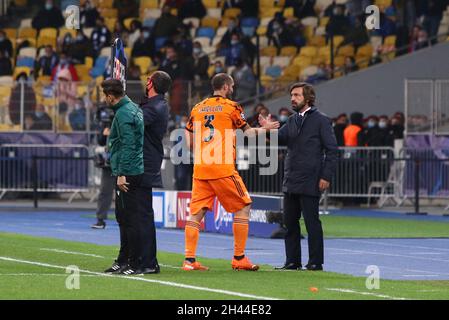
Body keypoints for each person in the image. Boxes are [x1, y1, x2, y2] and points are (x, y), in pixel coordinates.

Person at [182, 73, 279, 271]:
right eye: (232, 86)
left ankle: (189, 260)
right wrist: (266, 129)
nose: (233, 89)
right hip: (222, 167)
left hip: (201, 168)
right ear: (225, 87)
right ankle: (239, 257)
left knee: (196, 214)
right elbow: (249, 133)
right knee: (244, 205)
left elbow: (189, 141)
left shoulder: (197, 108)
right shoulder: (231, 107)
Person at [274, 82, 338, 271]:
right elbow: (280, 138)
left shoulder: (321, 120)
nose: (292, 98)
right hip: (291, 179)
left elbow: (332, 151)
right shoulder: (292, 120)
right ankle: (292, 261)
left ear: (308, 98)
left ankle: (315, 262)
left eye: (296, 95)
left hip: (310, 179)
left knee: (312, 223)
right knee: (290, 223)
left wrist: (326, 176)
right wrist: (267, 129)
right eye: (291, 95)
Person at [101, 79, 145, 275]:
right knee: (124, 217)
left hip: (128, 172)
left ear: (110, 96)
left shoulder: (123, 113)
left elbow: (128, 144)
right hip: (133, 169)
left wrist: (122, 174)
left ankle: (134, 263)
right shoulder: (132, 108)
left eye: (105, 95)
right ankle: (123, 260)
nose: (105, 99)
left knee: (129, 219)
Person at [138, 71, 173, 274]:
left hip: (146, 164)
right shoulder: (152, 104)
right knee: (136, 214)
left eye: (148, 78)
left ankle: (149, 261)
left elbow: (135, 120)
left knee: (143, 214)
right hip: (143, 162)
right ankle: (139, 259)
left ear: (151, 83)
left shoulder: (156, 107)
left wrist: (120, 102)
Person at [91, 105, 115, 229]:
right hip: (109, 162)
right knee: (105, 192)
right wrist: (104, 134)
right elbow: (100, 141)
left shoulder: (124, 119)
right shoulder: (105, 125)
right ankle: (100, 219)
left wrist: (113, 133)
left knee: (128, 193)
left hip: (123, 162)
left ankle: (132, 220)